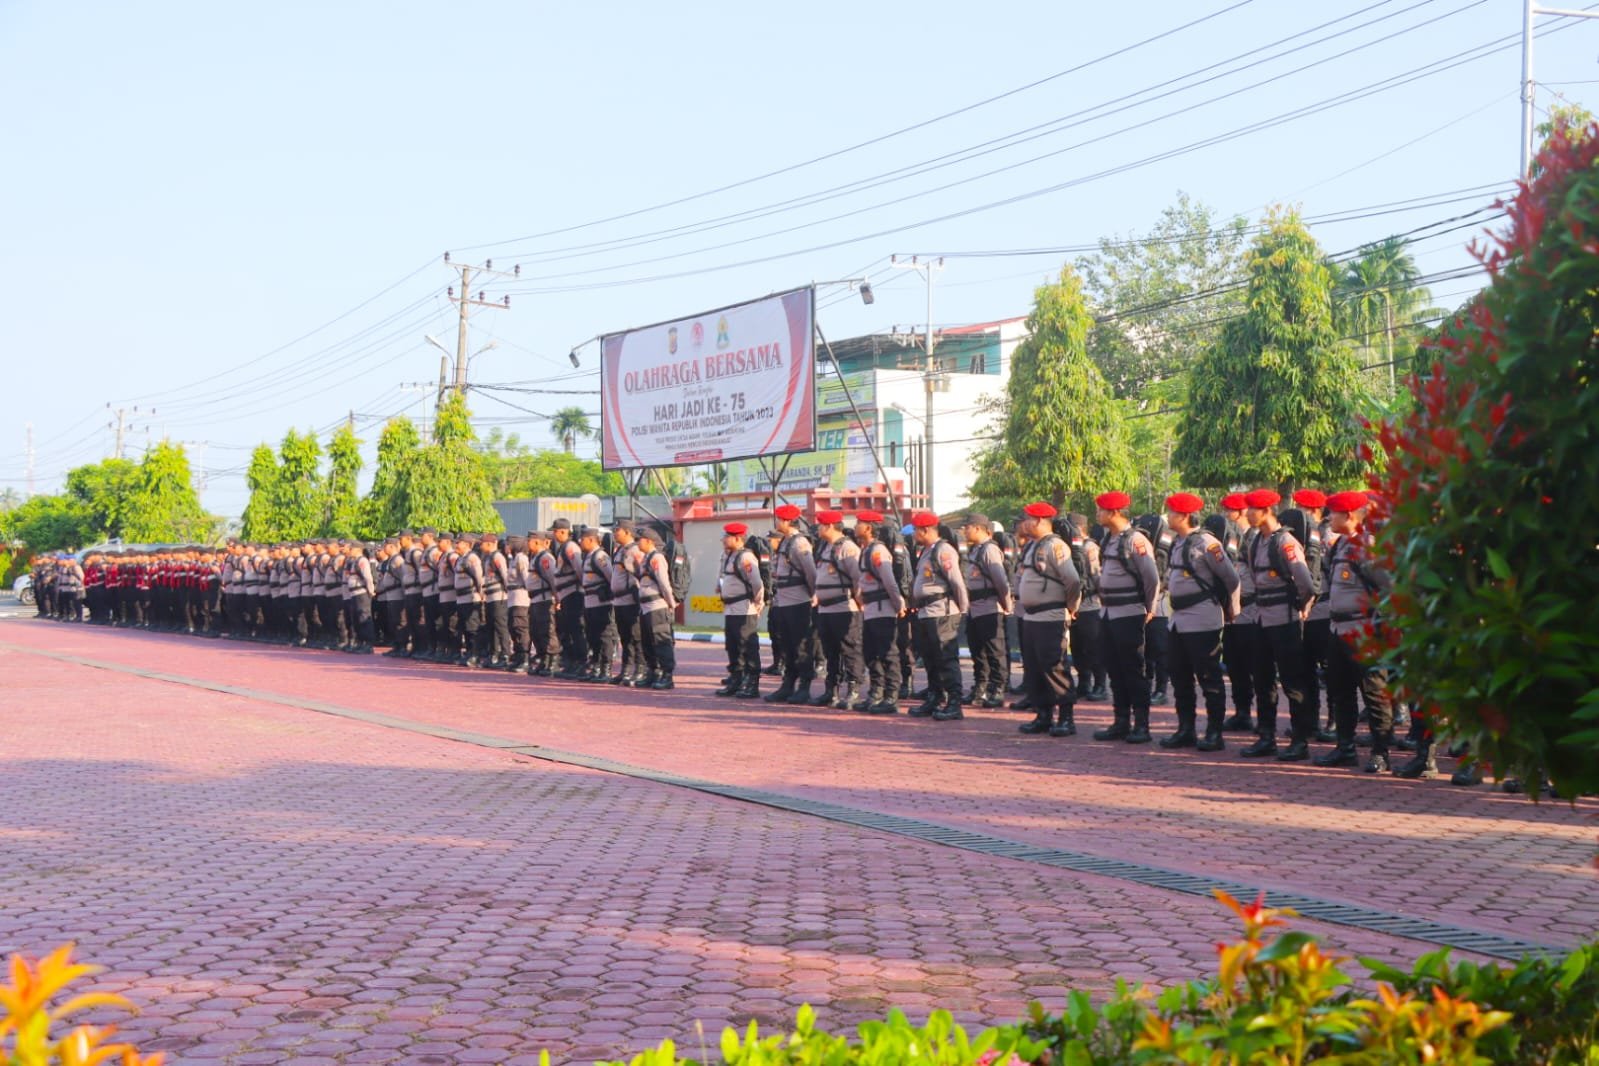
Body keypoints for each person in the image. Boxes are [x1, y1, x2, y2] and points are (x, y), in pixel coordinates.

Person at [1316, 491, 1397, 772]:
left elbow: (1390, 588)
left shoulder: (1367, 548)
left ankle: (1381, 752)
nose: (1329, 518)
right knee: (1341, 692)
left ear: (1349, 516)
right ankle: (1345, 747)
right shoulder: (1339, 545)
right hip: (1338, 629)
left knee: (1375, 692)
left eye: (1334, 513)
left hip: (1364, 630)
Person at [1241, 489, 1318, 760]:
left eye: (1252, 509)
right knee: (1262, 680)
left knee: (1292, 682)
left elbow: (1306, 583)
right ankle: (1266, 736)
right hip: (1261, 619)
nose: (1247, 513)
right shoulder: (1254, 542)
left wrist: (1300, 606)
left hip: (1284, 620)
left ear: (1265, 511)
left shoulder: (1285, 542)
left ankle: (1300, 740)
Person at [1161, 494, 1240, 751]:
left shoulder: (1208, 543)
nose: (1168, 517)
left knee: (1209, 678)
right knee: (1179, 676)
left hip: (1202, 618)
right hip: (1179, 620)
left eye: (1172, 513)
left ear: (1184, 516)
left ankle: (1214, 733)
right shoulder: (1177, 542)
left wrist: (1231, 609)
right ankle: (1186, 729)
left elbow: (1231, 578)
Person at [1092, 491, 1159, 743]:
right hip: (1108, 612)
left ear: (1113, 512)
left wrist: (1149, 607)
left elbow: (1151, 577)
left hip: (1129, 612)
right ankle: (1121, 721)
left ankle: (1141, 724)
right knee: (1115, 669)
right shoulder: (1110, 539)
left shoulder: (1135, 539)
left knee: (1133, 669)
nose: (1097, 515)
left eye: (1100, 510)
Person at [1014, 503, 1082, 738]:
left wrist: (1071, 606)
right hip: (1031, 616)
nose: (1024, 523)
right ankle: (1043, 715)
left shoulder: (1055, 545)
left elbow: (1072, 580)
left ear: (1041, 520)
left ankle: (1065, 717)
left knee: (1054, 665)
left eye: (1028, 518)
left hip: (1051, 615)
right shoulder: (1032, 546)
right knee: (1033, 667)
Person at [909, 511, 968, 720]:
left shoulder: (943, 550)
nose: (914, 533)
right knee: (930, 658)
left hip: (942, 611)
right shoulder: (926, 551)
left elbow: (957, 583)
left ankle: (954, 702)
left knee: (945, 658)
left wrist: (962, 609)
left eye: (916, 529)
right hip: (927, 612)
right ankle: (935, 697)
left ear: (926, 530)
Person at [764, 504, 819, 705]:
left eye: (778, 519)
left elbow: (811, 573)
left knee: (801, 645)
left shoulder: (799, 543)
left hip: (798, 601)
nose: (776, 522)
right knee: (787, 645)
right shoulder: (786, 542)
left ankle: (804, 687)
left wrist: (814, 595)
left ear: (787, 521)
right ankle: (787, 684)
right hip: (784, 601)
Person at [810, 510, 865, 709]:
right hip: (826, 609)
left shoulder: (848, 548)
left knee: (850, 650)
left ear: (830, 526)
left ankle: (854, 690)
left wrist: (859, 603)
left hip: (844, 607)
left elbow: (858, 578)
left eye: (821, 524)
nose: (818, 528)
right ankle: (830, 691)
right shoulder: (826, 547)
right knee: (830, 652)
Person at [853, 510, 905, 714]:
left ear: (868, 527)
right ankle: (876, 693)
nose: (855, 526)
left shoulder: (877, 552)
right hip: (871, 609)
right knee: (870, 653)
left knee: (887, 653)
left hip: (883, 608)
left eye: (859, 523)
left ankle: (891, 696)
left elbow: (890, 582)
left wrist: (898, 604)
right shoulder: (866, 550)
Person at [1213, 494, 1257, 733]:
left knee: (1253, 665)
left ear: (1240, 512)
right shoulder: (1232, 536)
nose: (1225, 515)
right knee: (1234, 664)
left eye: (1229, 511)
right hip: (1231, 612)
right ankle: (1242, 712)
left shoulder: (1253, 538)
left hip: (1251, 610)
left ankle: (1262, 717)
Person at [962, 513, 1013, 708]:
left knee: (994, 651)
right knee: (978, 651)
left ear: (977, 528)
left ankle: (997, 689)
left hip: (989, 606)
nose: (965, 531)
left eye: (967, 527)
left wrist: (1006, 604)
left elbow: (1000, 580)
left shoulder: (990, 549)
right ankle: (980, 687)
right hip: (975, 608)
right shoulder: (976, 550)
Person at [714, 521, 764, 699]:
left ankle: (752, 683)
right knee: (733, 646)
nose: (723, 540)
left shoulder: (746, 558)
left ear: (737, 538)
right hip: (731, 608)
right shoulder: (729, 555)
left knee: (747, 646)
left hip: (744, 608)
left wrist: (757, 603)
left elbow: (757, 583)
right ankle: (736, 678)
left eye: (727, 537)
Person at [634, 524, 678, 689]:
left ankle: (667, 675)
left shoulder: (656, 558)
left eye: (640, 540)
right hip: (645, 607)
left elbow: (664, 584)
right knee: (647, 642)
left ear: (648, 541)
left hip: (656, 606)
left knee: (661, 641)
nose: (638, 543)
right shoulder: (646, 558)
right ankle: (653, 672)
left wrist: (671, 604)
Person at [578, 526, 617, 682]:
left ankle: (605, 668)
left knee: (604, 636)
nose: (580, 542)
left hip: (601, 603)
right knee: (593, 635)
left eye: (583, 539)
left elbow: (611, 578)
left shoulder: (600, 556)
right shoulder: (589, 556)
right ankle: (596, 665)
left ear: (592, 540)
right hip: (590, 602)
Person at [609, 521, 645, 686]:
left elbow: (640, 576)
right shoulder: (620, 551)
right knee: (624, 637)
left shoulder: (635, 551)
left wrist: (638, 600)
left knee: (635, 636)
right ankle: (626, 669)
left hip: (631, 600)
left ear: (628, 532)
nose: (615, 533)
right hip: (619, 601)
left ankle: (640, 669)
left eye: (618, 530)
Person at [550, 518, 587, 679]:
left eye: (555, 531)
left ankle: (580, 663)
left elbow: (579, 569)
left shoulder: (570, 547)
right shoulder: (562, 547)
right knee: (568, 629)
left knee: (575, 630)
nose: (553, 534)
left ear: (564, 531)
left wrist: (582, 587)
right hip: (566, 594)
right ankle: (572, 662)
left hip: (573, 593)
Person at [527, 530, 563, 677]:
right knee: (536, 631)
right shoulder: (535, 557)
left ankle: (552, 661)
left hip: (545, 599)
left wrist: (557, 599)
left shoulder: (545, 558)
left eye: (529, 540)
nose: (527, 543)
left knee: (547, 630)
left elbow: (553, 580)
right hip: (535, 599)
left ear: (536, 542)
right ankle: (543, 659)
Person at [479, 531, 513, 668]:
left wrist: (507, 593)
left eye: (482, 543)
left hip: (499, 596)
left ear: (490, 543)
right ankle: (494, 653)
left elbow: (505, 575)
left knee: (501, 626)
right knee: (491, 626)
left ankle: (505, 654)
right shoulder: (488, 557)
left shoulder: (497, 557)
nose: (480, 546)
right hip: (490, 596)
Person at [505, 535, 532, 672]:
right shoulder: (513, 559)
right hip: (512, 598)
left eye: (509, 544)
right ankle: (518, 656)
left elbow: (527, 579)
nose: (506, 547)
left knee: (520, 627)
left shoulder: (521, 558)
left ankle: (525, 658)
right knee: (513, 628)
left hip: (520, 597)